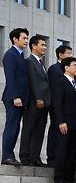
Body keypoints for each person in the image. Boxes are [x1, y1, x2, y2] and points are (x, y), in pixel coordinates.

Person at [51, 57, 76, 183]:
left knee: (71, 152)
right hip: (65, 123)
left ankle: (69, 179)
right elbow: (57, 103)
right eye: (74, 65)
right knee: (62, 151)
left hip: (75, 124)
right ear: (66, 67)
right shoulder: (60, 82)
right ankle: (59, 179)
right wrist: (61, 121)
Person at [19, 34, 49, 166]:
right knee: (29, 129)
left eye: (45, 45)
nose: (45, 47)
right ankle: (25, 156)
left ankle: (35, 157)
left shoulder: (41, 63)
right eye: (42, 45)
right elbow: (33, 81)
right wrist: (38, 98)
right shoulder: (29, 61)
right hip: (34, 102)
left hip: (44, 104)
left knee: (39, 131)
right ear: (34, 46)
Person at [2, 28, 30, 166]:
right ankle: (6, 156)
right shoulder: (10, 55)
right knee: (11, 127)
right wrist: (15, 97)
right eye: (24, 38)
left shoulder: (20, 55)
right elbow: (10, 78)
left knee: (16, 128)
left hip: (21, 99)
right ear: (15, 39)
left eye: (27, 38)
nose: (26, 41)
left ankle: (10, 155)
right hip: (13, 98)